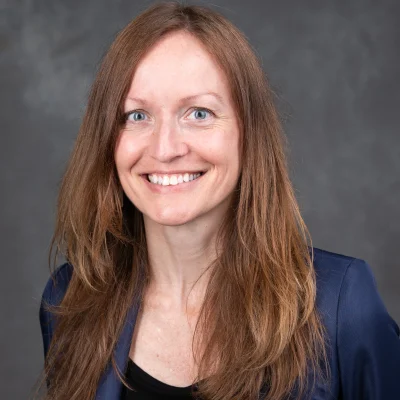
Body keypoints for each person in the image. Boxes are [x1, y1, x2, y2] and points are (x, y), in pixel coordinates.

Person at [38, 2, 400, 400]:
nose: (165, 148)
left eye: (199, 113)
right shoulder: (69, 300)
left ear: (249, 134)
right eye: (137, 116)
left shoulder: (343, 307)